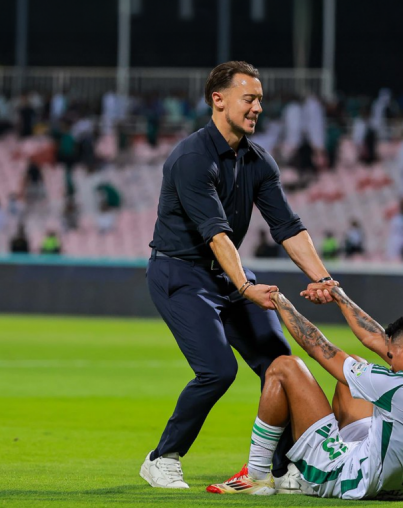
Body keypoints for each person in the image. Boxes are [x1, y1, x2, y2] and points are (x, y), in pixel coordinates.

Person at [140, 61, 339, 492]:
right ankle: (162, 458)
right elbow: (215, 234)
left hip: (227, 274)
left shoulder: (257, 160)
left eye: (260, 101)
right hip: (180, 273)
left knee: (281, 365)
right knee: (217, 370)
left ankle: (286, 468)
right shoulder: (191, 158)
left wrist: (325, 279)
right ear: (219, 100)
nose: (257, 108)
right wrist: (246, 287)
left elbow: (287, 225)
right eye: (249, 99)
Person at [207, 286, 403, 500]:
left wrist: (279, 301)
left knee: (286, 366)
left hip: (351, 480)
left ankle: (257, 475)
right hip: (399, 487)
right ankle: (315, 449)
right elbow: (376, 339)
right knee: (355, 370)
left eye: (392, 356)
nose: (390, 363)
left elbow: (317, 346)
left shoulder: (396, 388)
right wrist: (338, 295)